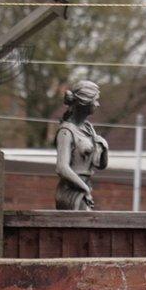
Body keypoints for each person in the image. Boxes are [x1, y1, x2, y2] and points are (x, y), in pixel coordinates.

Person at [54, 80, 108, 210]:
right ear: (85, 103)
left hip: (85, 189)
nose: (98, 104)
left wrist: (104, 148)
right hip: (71, 192)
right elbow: (62, 168)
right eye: (95, 100)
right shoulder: (66, 132)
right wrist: (84, 189)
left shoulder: (88, 128)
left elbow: (99, 165)